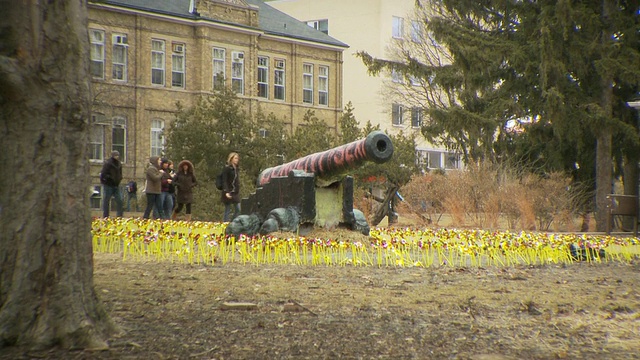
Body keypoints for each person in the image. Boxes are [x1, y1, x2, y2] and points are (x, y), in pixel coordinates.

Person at [99, 150, 123, 218]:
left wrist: (120, 178)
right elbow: (103, 174)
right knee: (106, 200)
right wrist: (109, 179)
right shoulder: (108, 163)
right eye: (115, 155)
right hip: (108, 185)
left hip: (116, 185)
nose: (117, 157)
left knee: (120, 201)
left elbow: (120, 173)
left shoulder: (119, 164)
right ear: (112, 156)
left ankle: (119, 215)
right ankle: (106, 215)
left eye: (118, 155)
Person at [221, 152, 241, 222]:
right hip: (228, 191)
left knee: (238, 209)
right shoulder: (227, 168)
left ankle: (232, 222)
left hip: (235, 192)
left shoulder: (236, 169)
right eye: (235, 158)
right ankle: (225, 224)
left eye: (237, 158)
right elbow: (224, 180)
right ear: (231, 159)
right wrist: (226, 191)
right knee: (227, 210)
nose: (237, 160)